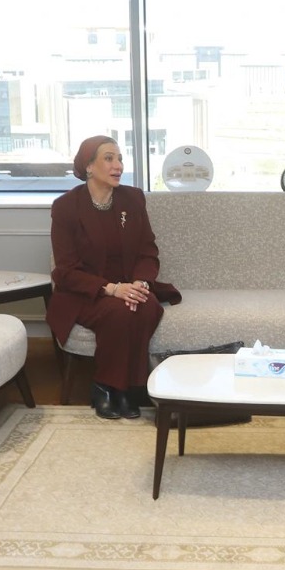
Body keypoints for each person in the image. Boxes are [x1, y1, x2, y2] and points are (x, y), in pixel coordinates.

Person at [49, 135, 181, 420]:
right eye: (109, 158)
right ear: (88, 166)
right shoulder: (66, 207)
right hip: (86, 292)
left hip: (130, 286)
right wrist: (111, 289)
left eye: (120, 158)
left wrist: (140, 284)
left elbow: (147, 251)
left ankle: (126, 389)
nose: (118, 165)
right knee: (120, 313)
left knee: (146, 306)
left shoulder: (132, 199)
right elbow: (66, 270)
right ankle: (106, 387)